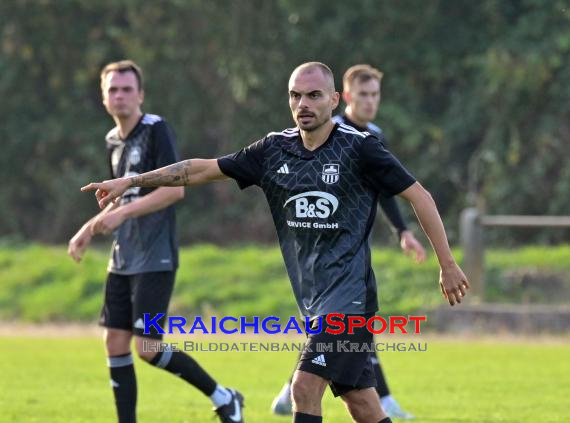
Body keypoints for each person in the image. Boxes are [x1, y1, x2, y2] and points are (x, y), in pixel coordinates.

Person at [82, 61, 470, 423]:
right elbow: (202, 168)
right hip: (315, 300)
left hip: (349, 299)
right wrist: (131, 181)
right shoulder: (272, 150)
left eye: (314, 95)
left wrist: (447, 263)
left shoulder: (359, 148)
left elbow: (420, 196)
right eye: (295, 95)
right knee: (363, 403)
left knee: (303, 388)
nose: (303, 104)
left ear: (334, 100)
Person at [68, 60, 244, 423]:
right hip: (123, 256)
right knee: (115, 343)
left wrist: (121, 215)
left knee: (147, 348)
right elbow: (118, 199)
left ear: (141, 94)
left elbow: (174, 191)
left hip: (155, 257)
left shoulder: (156, 129)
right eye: (112, 90)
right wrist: (88, 228)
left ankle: (224, 397)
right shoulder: (112, 141)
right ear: (104, 98)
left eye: (127, 89)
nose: (120, 96)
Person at [270, 64, 424, 420]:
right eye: (364, 95)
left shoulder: (371, 138)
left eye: (376, 95)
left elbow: (388, 189)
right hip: (319, 260)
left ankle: (306, 388)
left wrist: (402, 230)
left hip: (350, 262)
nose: (371, 102)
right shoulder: (328, 133)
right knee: (336, 352)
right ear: (346, 97)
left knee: (340, 350)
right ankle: (372, 398)